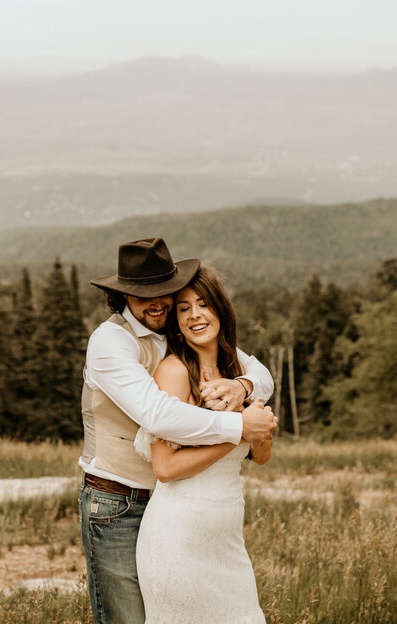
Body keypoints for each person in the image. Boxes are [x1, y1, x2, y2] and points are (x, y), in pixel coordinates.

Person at [80, 237, 277, 624]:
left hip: (175, 504)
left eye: (164, 293)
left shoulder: (180, 334)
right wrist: (240, 428)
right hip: (117, 501)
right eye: (142, 295)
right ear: (122, 297)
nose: (157, 302)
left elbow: (259, 371)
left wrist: (243, 387)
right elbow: (158, 415)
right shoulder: (111, 342)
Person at [135, 265, 269, 623]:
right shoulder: (173, 372)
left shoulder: (239, 368)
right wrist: (239, 429)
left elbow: (261, 455)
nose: (195, 315)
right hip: (178, 537)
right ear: (175, 320)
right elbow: (164, 469)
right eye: (183, 308)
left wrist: (256, 429)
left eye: (204, 304)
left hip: (227, 538)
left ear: (220, 309)